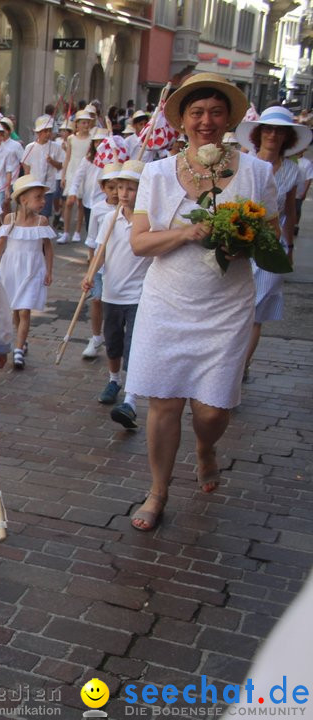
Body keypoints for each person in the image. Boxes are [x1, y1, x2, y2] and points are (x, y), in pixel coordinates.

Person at [125, 73, 278, 531]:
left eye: (215, 112)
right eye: (196, 113)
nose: (206, 121)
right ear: (183, 121)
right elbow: (139, 243)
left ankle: (206, 447)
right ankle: (158, 492)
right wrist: (189, 232)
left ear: (228, 117)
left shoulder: (257, 173)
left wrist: (243, 242)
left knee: (212, 410)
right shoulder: (155, 173)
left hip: (226, 306)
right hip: (167, 303)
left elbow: (270, 240)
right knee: (164, 403)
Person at [235, 105, 308, 379]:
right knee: (236, 306)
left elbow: (289, 211)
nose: (273, 135)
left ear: (287, 137)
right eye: (268, 128)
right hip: (240, 243)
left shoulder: (293, 171)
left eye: (279, 130)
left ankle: (242, 364)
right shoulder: (243, 161)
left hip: (270, 246)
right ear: (259, 132)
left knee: (256, 311)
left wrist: (288, 247)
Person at [84, 160, 150, 429]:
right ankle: (114, 380)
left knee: (133, 345)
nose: (123, 193)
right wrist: (90, 275)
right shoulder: (110, 219)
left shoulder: (149, 221)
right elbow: (100, 253)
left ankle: (131, 399)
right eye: (120, 187)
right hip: (112, 291)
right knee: (113, 343)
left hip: (140, 295)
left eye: (131, 189)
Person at [0, 175, 55, 370]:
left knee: (25, 309)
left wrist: (49, 270)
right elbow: (1, 244)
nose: (43, 202)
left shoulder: (42, 222)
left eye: (43, 197)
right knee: (15, 308)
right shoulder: (10, 219)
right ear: (23, 200)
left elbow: (48, 247)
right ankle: (22, 338)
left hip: (32, 269)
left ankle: (18, 350)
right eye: (38, 197)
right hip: (11, 269)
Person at [81, 162, 123, 360]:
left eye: (119, 187)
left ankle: (115, 338)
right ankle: (96, 337)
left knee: (113, 304)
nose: (115, 192)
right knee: (96, 300)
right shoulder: (98, 209)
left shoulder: (130, 209)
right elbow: (91, 240)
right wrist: (91, 268)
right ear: (103, 188)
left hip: (120, 265)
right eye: (111, 187)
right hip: (100, 264)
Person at [60, 109, 94, 243]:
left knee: (81, 203)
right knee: (69, 203)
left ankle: (78, 231)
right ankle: (66, 231)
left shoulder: (92, 139)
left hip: (85, 172)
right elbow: (67, 158)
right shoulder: (71, 138)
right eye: (83, 123)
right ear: (77, 124)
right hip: (72, 171)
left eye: (88, 123)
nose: (86, 125)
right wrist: (63, 175)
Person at [21, 116, 65, 219]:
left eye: (49, 131)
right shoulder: (30, 147)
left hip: (48, 188)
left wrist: (52, 161)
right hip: (33, 187)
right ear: (38, 133)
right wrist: (26, 185)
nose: (48, 133)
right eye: (45, 131)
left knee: (44, 216)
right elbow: (26, 167)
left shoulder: (56, 147)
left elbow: (60, 166)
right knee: (31, 215)